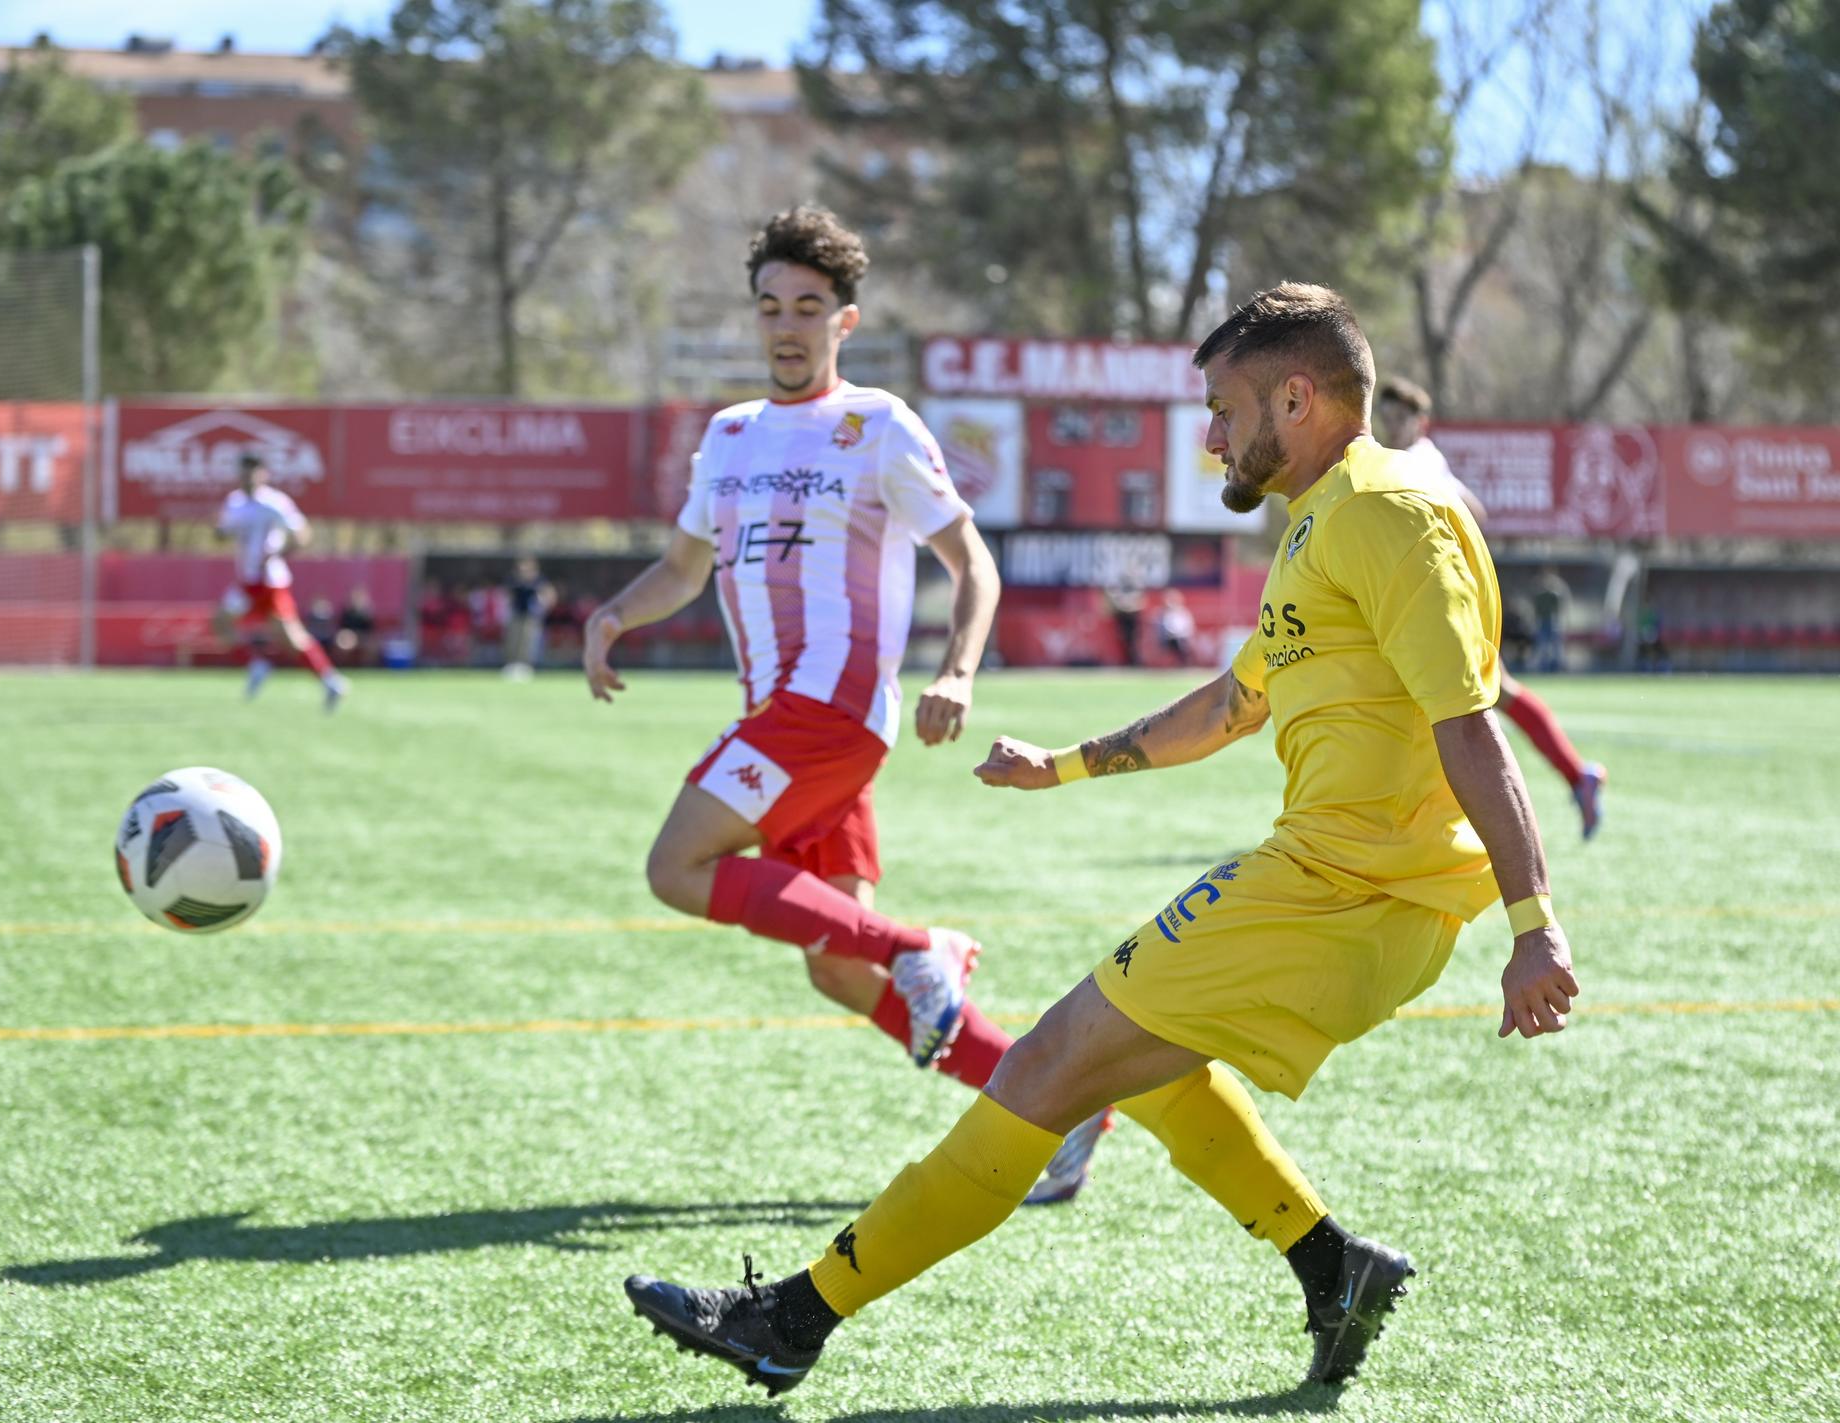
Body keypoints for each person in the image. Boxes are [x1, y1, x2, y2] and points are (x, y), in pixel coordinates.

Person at [623, 282, 1581, 1397]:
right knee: (1151, 1073)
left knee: (1044, 1067)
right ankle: (1333, 1268)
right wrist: (1062, 763)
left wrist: (1534, 926)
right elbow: (1229, 706)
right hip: (1337, 885)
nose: (1211, 437)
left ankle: (790, 1316)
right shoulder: (1330, 514)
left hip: (1342, 890)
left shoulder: (1382, 512)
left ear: (1297, 395)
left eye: (1223, 410)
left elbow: (1467, 726)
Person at [583, 205, 1110, 1205]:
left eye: (808, 308)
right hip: (784, 718)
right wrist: (613, 614)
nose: (787, 325)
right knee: (835, 968)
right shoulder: (729, 433)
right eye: (771, 306)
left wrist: (956, 669)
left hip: (826, 710)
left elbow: (971, 564)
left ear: (845, 320)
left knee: (674, 865)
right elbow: (683, 566)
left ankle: (924, 947)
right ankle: (1058, 1111)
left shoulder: (876, 426)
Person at [1376, 377, 1607, 839]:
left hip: (1443, 599)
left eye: (1399, 419)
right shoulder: (1421, 461)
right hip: (1438, 596)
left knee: (1469, 699)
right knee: (1488, 693)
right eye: (1385, 418)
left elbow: (1470, 511)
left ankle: (1422, 817)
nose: (1390, 426)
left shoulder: (1417, 461)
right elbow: (1475, 510)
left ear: (1420, 423)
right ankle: (1576, 775)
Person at [212, 451, 347, 712]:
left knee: (290, 638)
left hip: (270, 582)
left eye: (253, 470)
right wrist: (219, 532)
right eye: (243, 471)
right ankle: (257, 664)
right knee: (221, 622)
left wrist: (277, 553)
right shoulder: (234, 502)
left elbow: (302, 534)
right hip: (247, 582)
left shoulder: (275, 502)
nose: (247, 476)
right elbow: (223, 532)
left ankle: (330, 681)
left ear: (263, 473)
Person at [504, 557, 557, 679]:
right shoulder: (513, 579)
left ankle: (525, 666)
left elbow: (549, 593)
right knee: (513, 640)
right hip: (516, 614)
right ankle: (512, 665)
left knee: (527, 641)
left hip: (531, 616)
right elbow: (508, 595)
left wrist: (542, 606)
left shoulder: (538, 580)